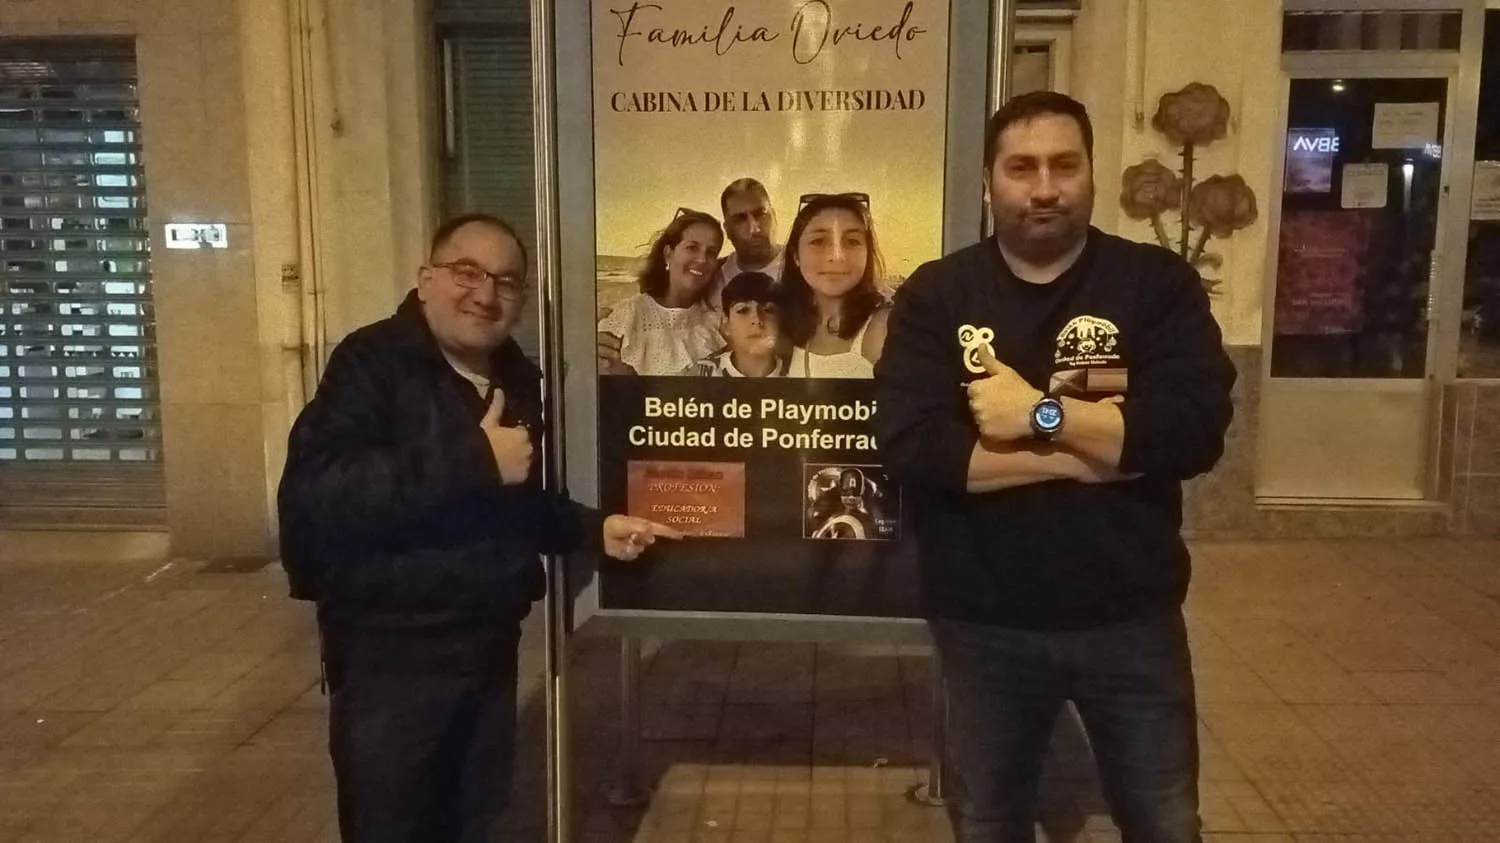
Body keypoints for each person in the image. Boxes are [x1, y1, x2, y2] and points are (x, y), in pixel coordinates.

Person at [875, 91, 1236, 843]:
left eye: (1064, 164)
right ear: (988, 182)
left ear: (1091, 175)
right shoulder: (938, 296)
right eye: (1022, 167)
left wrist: (1041, 417)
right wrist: (1101, 454)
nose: (1044, 186)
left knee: (1166, 821)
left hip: (1131, 616)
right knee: (990, 819)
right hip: (983, 622)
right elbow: (918, 450)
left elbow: (1192, 430)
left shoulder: (1156, 285)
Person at [277, 213, 683, 843]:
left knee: (474, 820)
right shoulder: (373, 361)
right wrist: (473, 458)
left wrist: (593, 529)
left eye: (506, 282)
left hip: (487, 646)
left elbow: (512, 503)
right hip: (392, 655)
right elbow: (318, 496)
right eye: (466, 273)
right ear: (426, 279)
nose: (485, 294)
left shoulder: (513, 375)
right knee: (394, 823)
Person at [597, 209, 725, 375]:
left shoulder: (717, 323)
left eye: (711, 252)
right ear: (668, 254)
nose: (702, 259)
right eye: (692, 247)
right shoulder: (627, 317)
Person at [780, 192, 891, 378]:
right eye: (818, 241)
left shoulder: (883, 328)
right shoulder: (782, 326)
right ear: (796, 256)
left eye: (852, 241)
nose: (837, 256)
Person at [682, 270, 789, 376]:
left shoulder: (796, 371)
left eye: (768, 310)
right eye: (743, 310)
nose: (757, 320)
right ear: (726, 323)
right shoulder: (699, 375)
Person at [717, 177, 783, 284]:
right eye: (740, 219)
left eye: (760, 214)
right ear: (727, 229)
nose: (754, 229)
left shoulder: (804, 267)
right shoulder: (715, 277)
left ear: (774, 217)